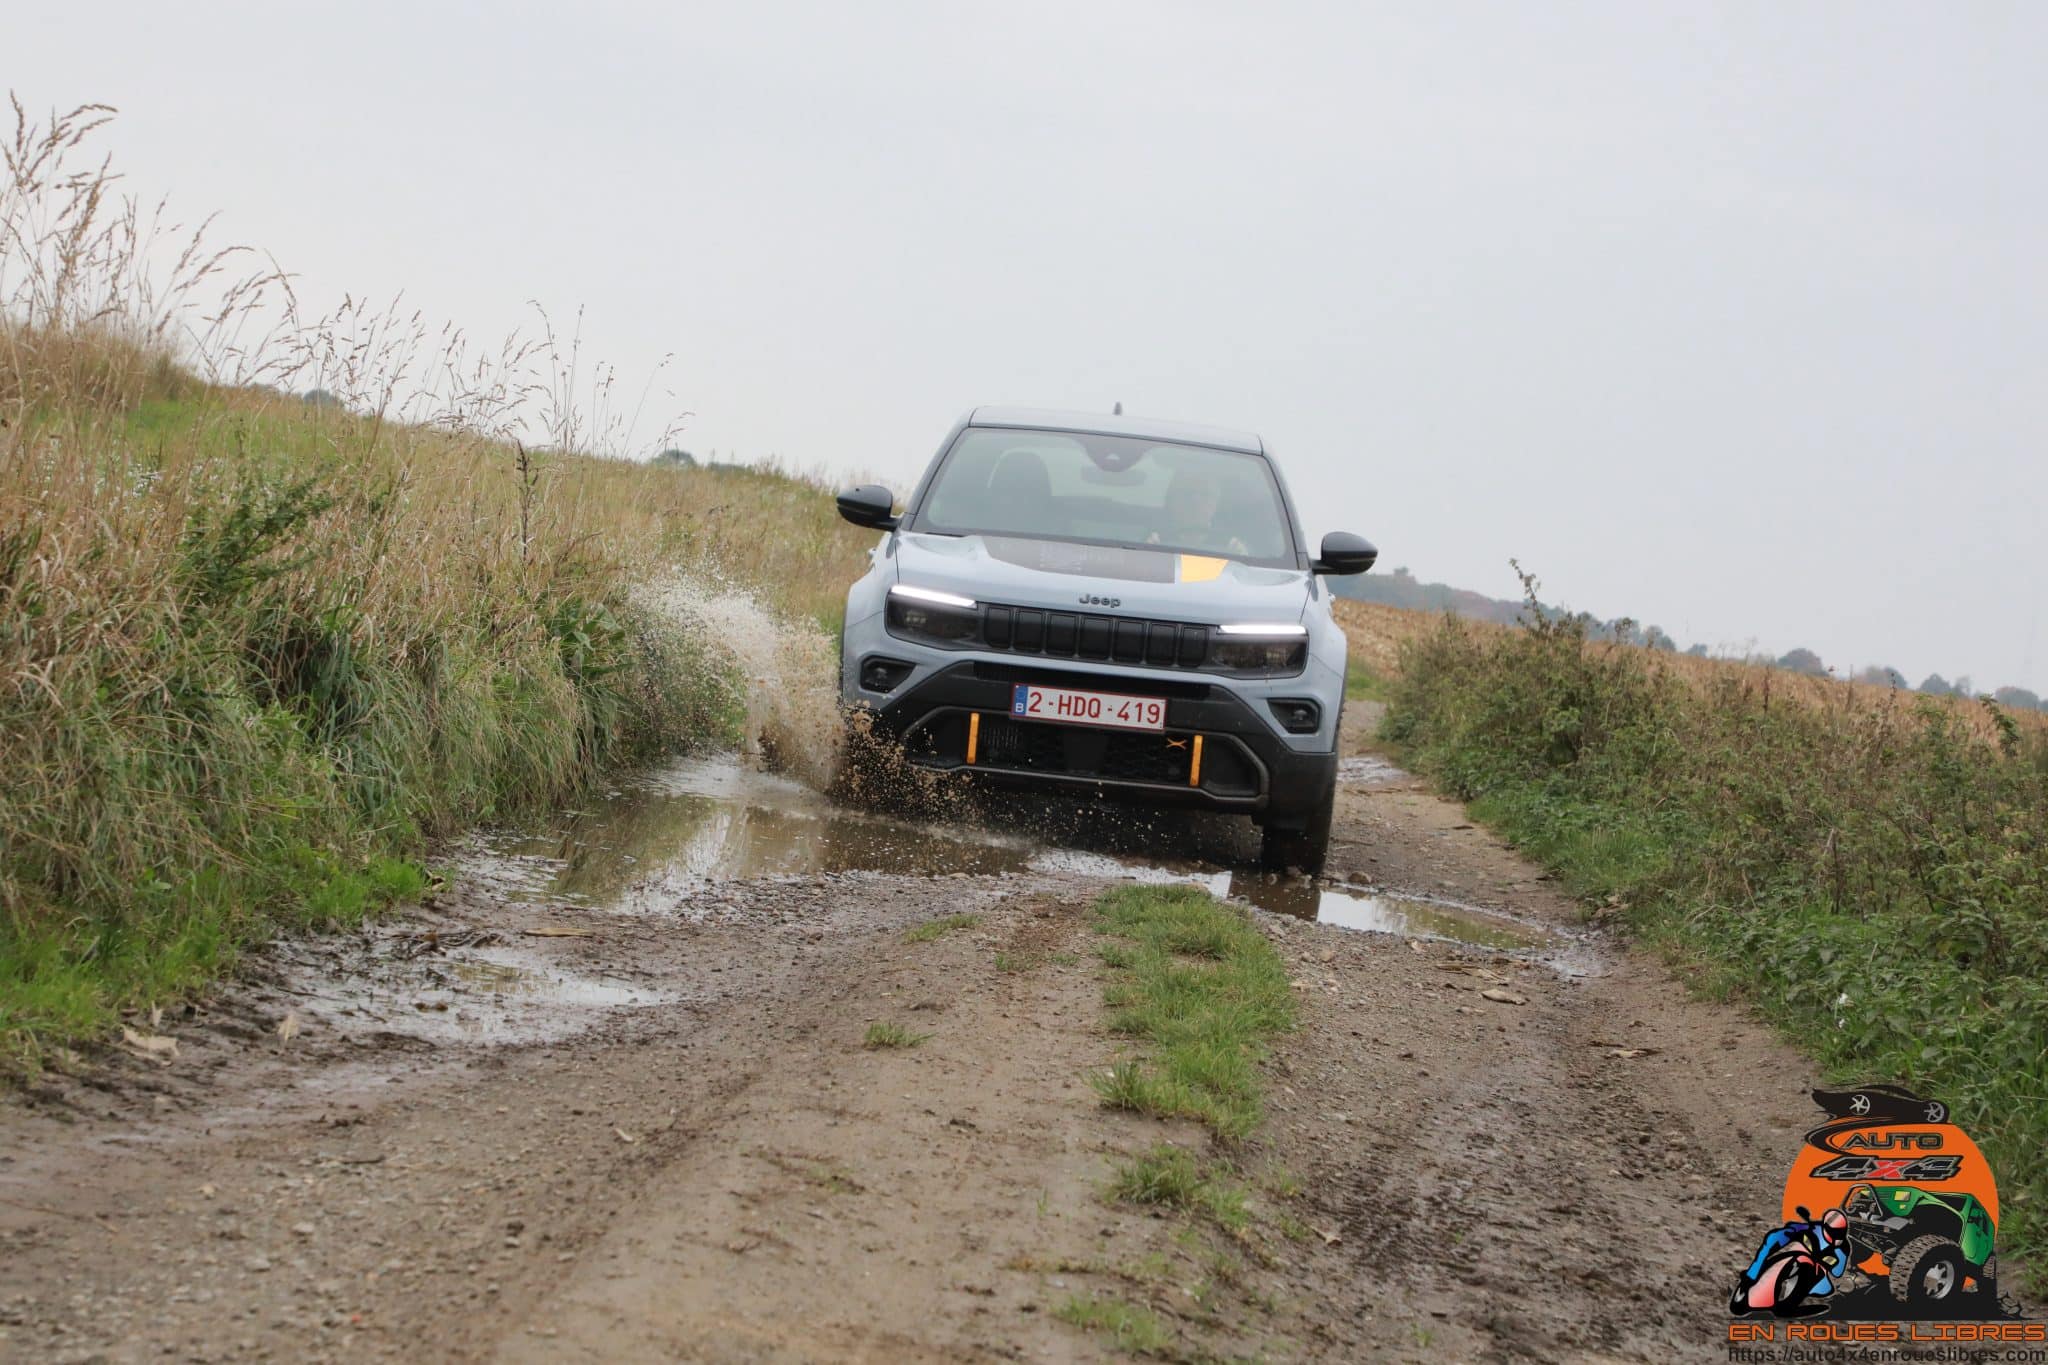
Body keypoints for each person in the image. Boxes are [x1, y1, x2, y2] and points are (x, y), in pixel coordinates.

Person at [1147, 469, 1248, 556]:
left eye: (1205, 494)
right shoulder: (1156, 541)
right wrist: (1148, 551)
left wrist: (1241, 557)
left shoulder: (1230, 546)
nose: (1196, 501)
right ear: (1171, 500)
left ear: (1217, 503)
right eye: (1187, 493)